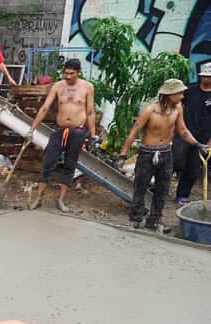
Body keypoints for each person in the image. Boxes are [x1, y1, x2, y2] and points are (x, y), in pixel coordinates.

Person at [115, 79, 208, 233]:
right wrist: (123, 155)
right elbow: (134, 132)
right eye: (179, 93)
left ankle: (155, 220)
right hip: (147, 153)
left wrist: (198, 144)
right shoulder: (150, 110)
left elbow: (183, 130)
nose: (182, 96)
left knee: (162, 189)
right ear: (170, 94)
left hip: (166, 153)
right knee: (140, 187)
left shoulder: (178, 109)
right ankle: (136, 218)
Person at [27, 58, 98, 213]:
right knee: (48, 162)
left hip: (77, 132)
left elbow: (91, 112)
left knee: (70, 165)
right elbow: (45, 108)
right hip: (60, 131)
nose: (68, 76)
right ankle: (39, 197)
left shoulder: (87, 87)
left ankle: (61, 200)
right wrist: (32, 129)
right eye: (66, 73)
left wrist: (93, 135)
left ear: (79, 72)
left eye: (72, 74)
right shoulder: (58, 86)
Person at [174, 61, 211, 206]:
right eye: (204, 76)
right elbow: (180, 108)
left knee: (193, 168)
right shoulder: (190, 91)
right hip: (184, 133)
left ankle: (182, 195)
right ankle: (157, 188)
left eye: (209, 76)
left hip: (203, 138)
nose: (206, 78)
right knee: (175, 161)